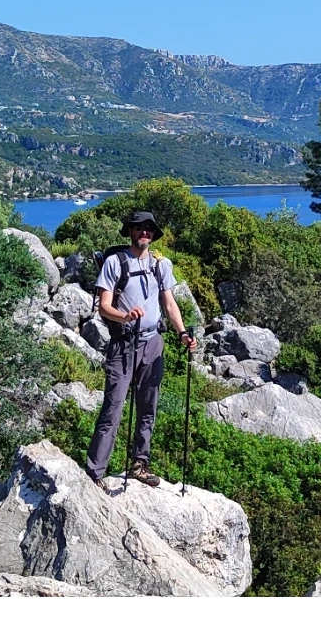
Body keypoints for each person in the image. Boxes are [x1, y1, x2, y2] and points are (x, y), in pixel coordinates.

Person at [86, 210, 196, 491]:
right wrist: (123, 317)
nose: (144, 232)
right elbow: (104, 306)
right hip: (124, 344)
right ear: (130, 231)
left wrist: (182, 332)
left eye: (149, 229)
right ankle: (95, 474)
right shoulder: (114, 263)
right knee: (113, 409)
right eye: (139, 228)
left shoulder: (161, 265)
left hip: (153, 342)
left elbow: (169, 304)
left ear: (153, 233)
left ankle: (139, 464)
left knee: (148, 407)